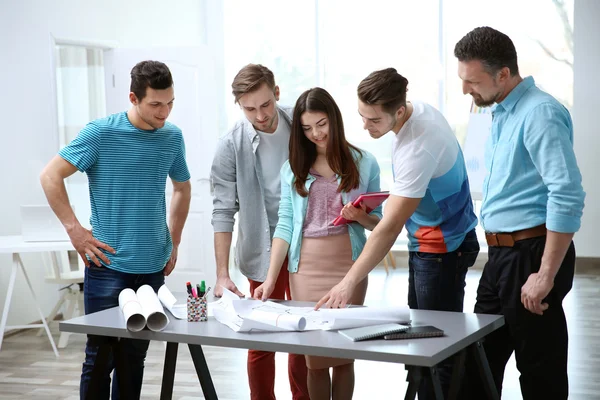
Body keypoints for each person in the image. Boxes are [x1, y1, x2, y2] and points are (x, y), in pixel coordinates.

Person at [315, 68, 480, 399]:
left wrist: (347, 283)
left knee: (437, 350)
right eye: (362, 116)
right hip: (431, 242)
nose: (365, 126)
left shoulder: (419, 146)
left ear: (399, 111)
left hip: (443, 249)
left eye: (373, 120)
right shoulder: (413, 112)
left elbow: (389, 228)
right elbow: (397, 212)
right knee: (421, 342)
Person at [39, 60, 192, 399]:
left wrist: (175, 241)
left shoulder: (172, 136)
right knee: (100, 356)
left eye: (170, 103)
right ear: (133, 98)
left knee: (134, 358)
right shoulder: (101, 133)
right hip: (108, 267)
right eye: (155, 104)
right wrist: (74, 230)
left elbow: (182, 187)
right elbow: (50, 176)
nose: (164, 112)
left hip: (153, 266)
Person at [454, 26, 585, 399]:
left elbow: (567, 193)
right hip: (500, 257)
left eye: (473, 81)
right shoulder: (502, 111)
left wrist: (545, 274)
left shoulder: (540, 112)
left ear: (504, 74)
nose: (466, 89)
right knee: (479, 360)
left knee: (539, 370)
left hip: (531, 254)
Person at [253, 87, 382, 400]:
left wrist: (359, 217)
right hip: (305, 268)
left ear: (334, 120)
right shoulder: (292, 169)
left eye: (321, 124)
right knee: (314, 359)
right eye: (307, 128)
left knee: (344, 355)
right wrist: (271, 279)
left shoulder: (364, 163)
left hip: (349, 265)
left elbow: (380, 225)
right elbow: (284, 226)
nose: (315, 134)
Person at [210, 64, 309, 400]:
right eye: (249, 108)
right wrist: (222, 274)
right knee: (261, 336)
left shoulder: (303, 123)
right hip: (262, 249)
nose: (260, 115)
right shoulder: (230, 145)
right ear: (239, 105)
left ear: (277, 93)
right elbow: (223, 210)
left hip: (306, 245)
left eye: (265, 105)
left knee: (303, 333)